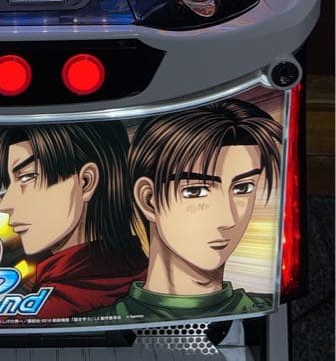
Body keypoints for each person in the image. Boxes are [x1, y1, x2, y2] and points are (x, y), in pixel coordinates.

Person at [96, 98, 282, 322]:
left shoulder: (268, 309)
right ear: (148, 199)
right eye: (196, 191)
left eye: (243, 188)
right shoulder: (98, 322)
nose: (228, 219)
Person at [0, 122, 145, 319]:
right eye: (8, 184)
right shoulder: (145, 276)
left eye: (28, 177)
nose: (5, 204)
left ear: (86, 181)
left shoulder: (40, 313)